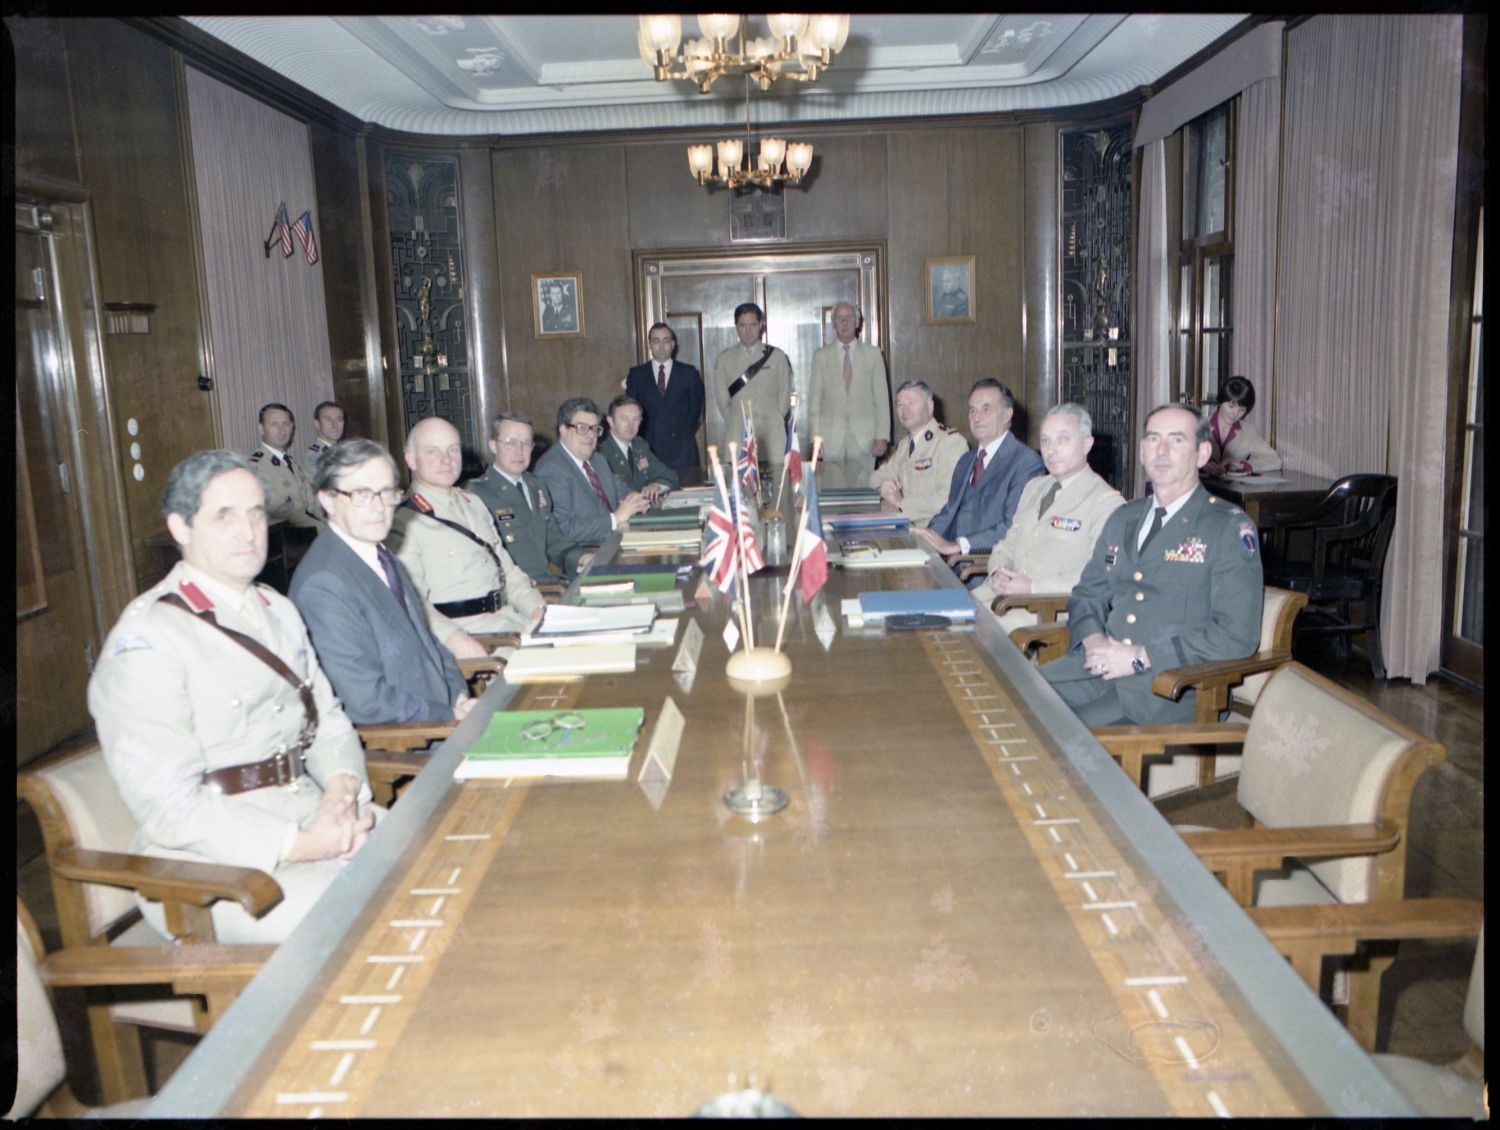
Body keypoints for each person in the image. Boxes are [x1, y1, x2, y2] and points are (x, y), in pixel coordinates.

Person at [87, 450, 378, 944]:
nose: (248, 532)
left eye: (256, 513)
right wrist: (303, 844)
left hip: (310, 811)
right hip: (212, 870)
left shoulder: (277, 609)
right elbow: (170, 805)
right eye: (224, 516)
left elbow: (326, 718)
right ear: (180, 527)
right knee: (381, 918)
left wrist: (340, 795)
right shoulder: (150, 639)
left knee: (442, 853)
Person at [1040, 404, 1264, 725]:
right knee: (1009, 697)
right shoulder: (1124, 517)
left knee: (1054, 736)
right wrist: (1094, 642)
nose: (1161, 451)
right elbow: (1087, 594)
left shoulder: (1227, 528)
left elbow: (1236, 635)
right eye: (1153, 439)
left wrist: (1140, 657)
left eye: (1176, 440)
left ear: (1202, 454)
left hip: (1167, 687)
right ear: (1142, 451)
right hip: (1097, 669)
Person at [290, 439, 475, 725]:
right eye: (362, 494)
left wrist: (459, 695)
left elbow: (428, 644)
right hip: (411, 740)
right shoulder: (323, 583)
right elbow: (364, 700)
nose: (379, 507)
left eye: (386, 492)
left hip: (446, 715)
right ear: (327, 499)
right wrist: (448, 715)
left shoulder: (381, 554)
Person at [387, 417, 545, 655]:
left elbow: (508, 572)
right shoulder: (403, 521)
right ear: (410, 459)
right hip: (472, 639)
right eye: (432, 451)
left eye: (453, 450)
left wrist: (538, 611)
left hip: (510, 622)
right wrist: (454, 639)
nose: (446, 459)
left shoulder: (474, 504)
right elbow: (411, 601)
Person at [973, 404, 1126, 630]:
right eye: (1045, 441)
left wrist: (1032, 587)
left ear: (1087, 444)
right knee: (936, 622)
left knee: (969, 640)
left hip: (1045, 612)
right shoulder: (1035, 487)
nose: (1051, 450)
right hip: (996, 596)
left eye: (1062, 440)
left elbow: (1099, 576)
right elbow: (1007, 543)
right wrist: (998, 571)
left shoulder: (1107, 504)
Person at [915, 379, 1046, 560]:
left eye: (986, 409)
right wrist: (921, 538)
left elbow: (1013, 527)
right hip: (951, 563)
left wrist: (958, 546)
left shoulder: (1026, 462)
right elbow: (949, 512)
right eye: (972, 410)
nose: (977, 417)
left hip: (986, 568)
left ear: (1008, 414)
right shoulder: (966, 461)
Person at [468, 412, 591, 584]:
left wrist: (582, 558)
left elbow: (553, 540)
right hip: (517, 592)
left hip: (550, 584)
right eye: (510, 442)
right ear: (493, 445)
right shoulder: (477, 494)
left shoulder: (536, 487)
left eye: (525, 443)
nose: (519, 451)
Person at [535, 397, 651, 545]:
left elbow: (624, 492)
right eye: (582, 428)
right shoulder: (551, 468)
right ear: (563, 430)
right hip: (587, 552)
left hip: (618, 539)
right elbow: (563, 529)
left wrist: (637, 500)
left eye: (595, 429)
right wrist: (615, 518)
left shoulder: (597, 460)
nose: (590, 435)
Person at [807, 302, 891, 489]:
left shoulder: (873, 355)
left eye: (849, 317)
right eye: (839, 318)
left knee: (863, 493)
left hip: (865, 440)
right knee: (831, 490)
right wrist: (815, 438)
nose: (844, 322)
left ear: (857, 322)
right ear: (833, 323)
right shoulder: (820, 357)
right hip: (830, 440)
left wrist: (882, 435)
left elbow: (882, 400)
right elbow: (814, 403)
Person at [710, 302, 792, 481]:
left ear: (761, 324)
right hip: (738, 433)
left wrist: (773, 417)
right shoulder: (725, 359)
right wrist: (736, 418)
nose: (748, 331)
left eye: (753, 325)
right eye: (742, 325)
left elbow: (784, 395)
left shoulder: (776, 356)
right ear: (736, 327)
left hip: (773, 433)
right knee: (740, 489)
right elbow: (722, 399)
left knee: (778, 484)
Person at [869, 379, 969, 524]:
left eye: (911, 402)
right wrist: (886, 487)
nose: (905, 409)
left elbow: (947, 499)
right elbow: (874, 479)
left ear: (930, 407)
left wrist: (901, 502)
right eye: (900, 404)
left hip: (936, 534)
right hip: (906, 528)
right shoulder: (905, 445)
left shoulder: (951, 442)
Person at [624, 322, 704, 482]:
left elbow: (695, 412)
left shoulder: (689, 374)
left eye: (666, 341)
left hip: (683, 454)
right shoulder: (636, 375)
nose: (661, 346)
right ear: (650, 345)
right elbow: (630, 412)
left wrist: (680, 433)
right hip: (649, 452)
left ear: (673, 344)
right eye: (656, 341)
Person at [249, 402, 321, 528]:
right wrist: (320, 529)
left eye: (285, 424)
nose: (281, 430)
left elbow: (311, 503)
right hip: (281, 539)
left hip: (302, 534)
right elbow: (281, 511)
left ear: (292, 427)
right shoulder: (257, 466)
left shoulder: (290, 462)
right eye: (274, 424)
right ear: (261, 429)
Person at [602, 394, 679, 502]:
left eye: (636, 419)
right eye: (624, 419)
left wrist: (656, 486)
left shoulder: (639, 446)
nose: (630, 425)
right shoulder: (600, 451)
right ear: (610, 421)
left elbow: (670, 476)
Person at [1204, 375, 1282, 475]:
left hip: (1232, 489)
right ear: (1220, 402)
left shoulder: (1249, 431)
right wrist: (1200, 464)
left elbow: (1274, 460)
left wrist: (1241, 465)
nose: (1235, 414)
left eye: (1242, 410)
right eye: (1231, 406)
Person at [307, 401, 346, 466]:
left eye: (339, 420)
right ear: (317, 424)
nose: (335, 425)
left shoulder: (344, 450)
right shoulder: (315, 455)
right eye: (328, 420)